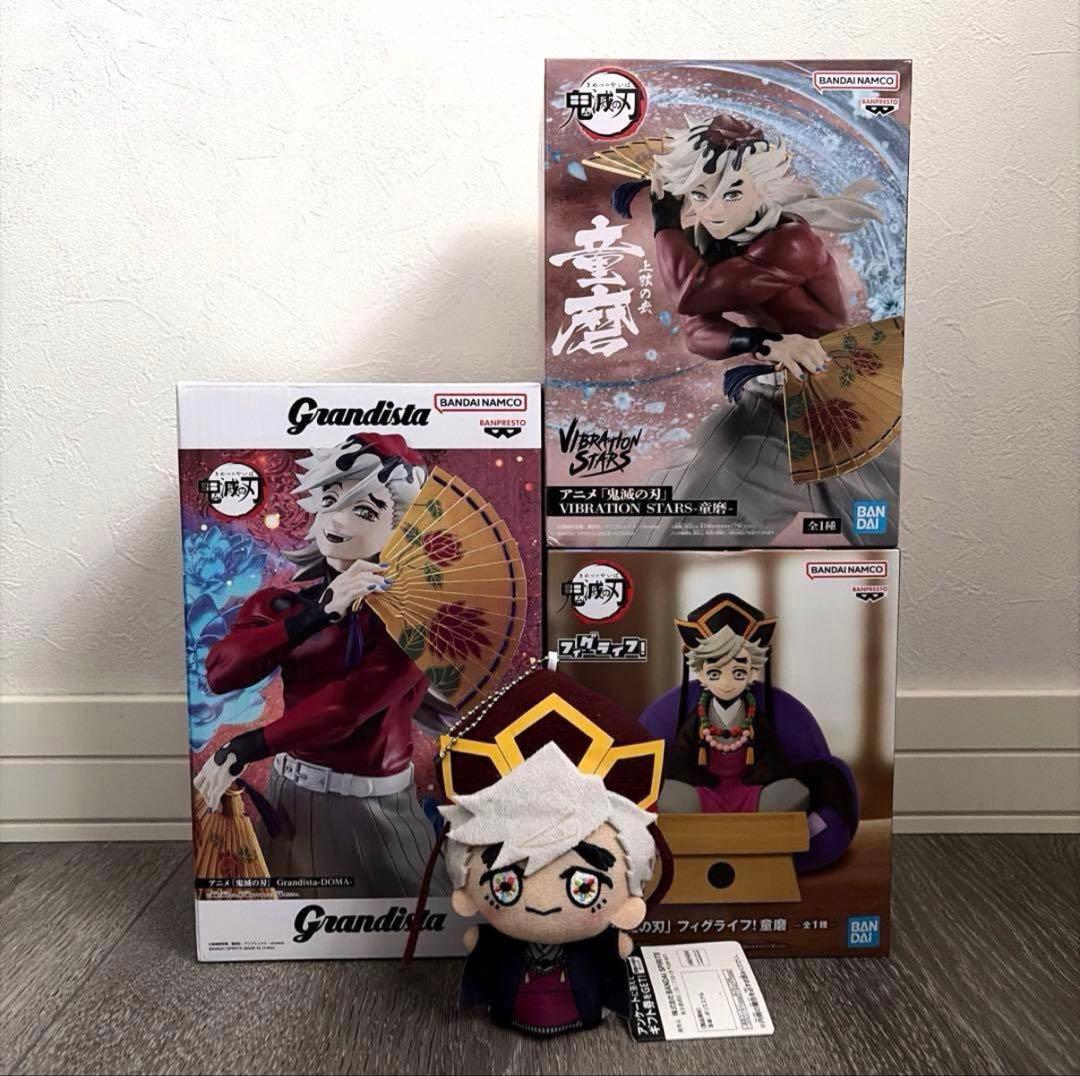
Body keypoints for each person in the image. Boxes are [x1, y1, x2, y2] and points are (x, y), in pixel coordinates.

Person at [192, 432, 450, 898]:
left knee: (421, 913)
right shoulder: (283, 604)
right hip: (290, 799)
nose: (337, 520)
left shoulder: (417, 618)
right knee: (280, 913)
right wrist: (317, 615)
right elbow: (222, 673)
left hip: (379, 811)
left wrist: (248, 745)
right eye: (330, 500)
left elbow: (347, 707)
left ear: (401, 527)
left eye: (365, 510)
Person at [639, 592, 858, 872]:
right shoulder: (696, 716)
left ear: (754, 670)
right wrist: (695, 780)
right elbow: (680, 757)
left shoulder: (756, 715)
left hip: (752, 794)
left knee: (793, 791)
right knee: (666, 796)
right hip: (703, 794)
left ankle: (791, 839)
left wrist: (765, 780)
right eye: (715, 672)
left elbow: (773, 758)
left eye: (739, 672)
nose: (727, 683)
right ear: (700, 672)